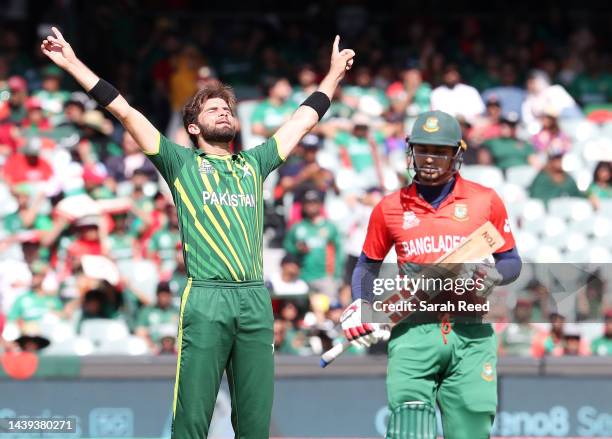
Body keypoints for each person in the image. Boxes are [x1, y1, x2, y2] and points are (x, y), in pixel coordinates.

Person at [41, 27, 354, 439]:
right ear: (192, 128)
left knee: (255, 425)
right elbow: (126, 112)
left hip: (254, 299)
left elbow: (302, 120)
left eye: (228, 108)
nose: (223, 112)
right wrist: (71, 63)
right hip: (206, 298)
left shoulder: (253, 164)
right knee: (191, 422)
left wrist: (332, 75)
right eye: (212, 109)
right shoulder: (180, 163)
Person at [339, 110, 521, 438]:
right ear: (411, 151)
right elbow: (367, 266)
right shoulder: (390, 207)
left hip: (472, 335)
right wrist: (361, 305)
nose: (430, 159)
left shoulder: (485, 200)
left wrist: (490, 274)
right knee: (410, 430)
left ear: (457, 154)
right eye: (423, 149)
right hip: (412, 333)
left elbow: (511, 260)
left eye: (440, 151)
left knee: (471, 432)